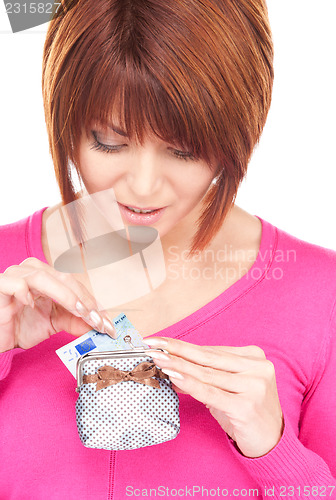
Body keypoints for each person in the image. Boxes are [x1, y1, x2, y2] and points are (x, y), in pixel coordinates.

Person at [1, 0, 335, 498]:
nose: (142, 187)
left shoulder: (321, 295)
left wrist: (274, 450)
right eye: (108, 142)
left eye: (183, 149)